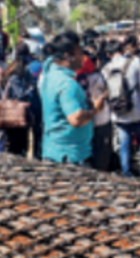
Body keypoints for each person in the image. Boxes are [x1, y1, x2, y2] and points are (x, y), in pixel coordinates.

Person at [39, 32, 106, 167]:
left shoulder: (48, 73)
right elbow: (75, 119)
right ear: (67, 56)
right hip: (70, 157)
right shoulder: (67, 84)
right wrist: (96, 109)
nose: (83, 57)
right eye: (80, 53)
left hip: (53, 150)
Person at [104, 36, 140, 181]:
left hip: (119, 114)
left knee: (124, 145)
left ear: (108, 54)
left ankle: (127, 174)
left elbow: (106, 92)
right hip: (137, 111)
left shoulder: (106, 69)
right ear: (121, 49)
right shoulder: (135, 62)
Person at [76, 52, 112, 172]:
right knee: (102, 153)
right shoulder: (98, 77)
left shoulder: (75, 79)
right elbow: (109, 92)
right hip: (101, 119)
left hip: (84, 121)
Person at [4, 43, 42, 159]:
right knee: (31, 137)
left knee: (15, 142)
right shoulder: (34, 66)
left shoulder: (9, 68)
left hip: (12, 110)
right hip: (30, 107)